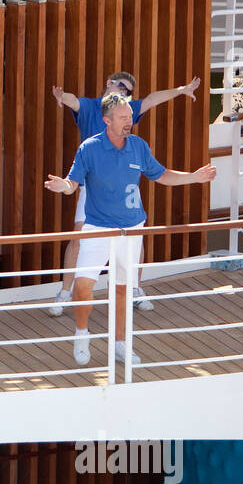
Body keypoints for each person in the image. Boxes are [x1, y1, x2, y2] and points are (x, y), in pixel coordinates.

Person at [44, 94, 216, 367]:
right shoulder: (89, 148)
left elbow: (160, 174)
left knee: (123, 288)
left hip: (132, 228)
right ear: (107, 120)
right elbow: (72, 183)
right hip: (98, 227)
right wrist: (62, 186)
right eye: (123, 118)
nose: (129, 122)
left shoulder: (138, 146)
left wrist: (194, 177)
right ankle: (81, 334)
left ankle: (120, 344)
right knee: (83, 286)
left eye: (130, 117)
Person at [48, 71, 201, 315]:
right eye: (121, 87)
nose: (125, 94)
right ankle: (65, 292)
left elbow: (151, 100)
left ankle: (134, 289)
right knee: (79, 237)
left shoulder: (134, 133)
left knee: (134, 235)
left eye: (128, 92)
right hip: (93, 184)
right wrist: (61, 96)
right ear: (108, 83)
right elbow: (73, 101)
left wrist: (181, 90)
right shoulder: (90, 109)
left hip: (123, 183)